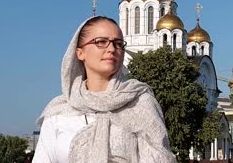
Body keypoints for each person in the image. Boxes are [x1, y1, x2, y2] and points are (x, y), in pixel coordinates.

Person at [33, 16, 176, 163]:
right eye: (101, 42)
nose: (112, 49)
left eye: (118, 43)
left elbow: (160, 157)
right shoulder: (59, 112)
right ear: (80, 53)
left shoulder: (140, 103)